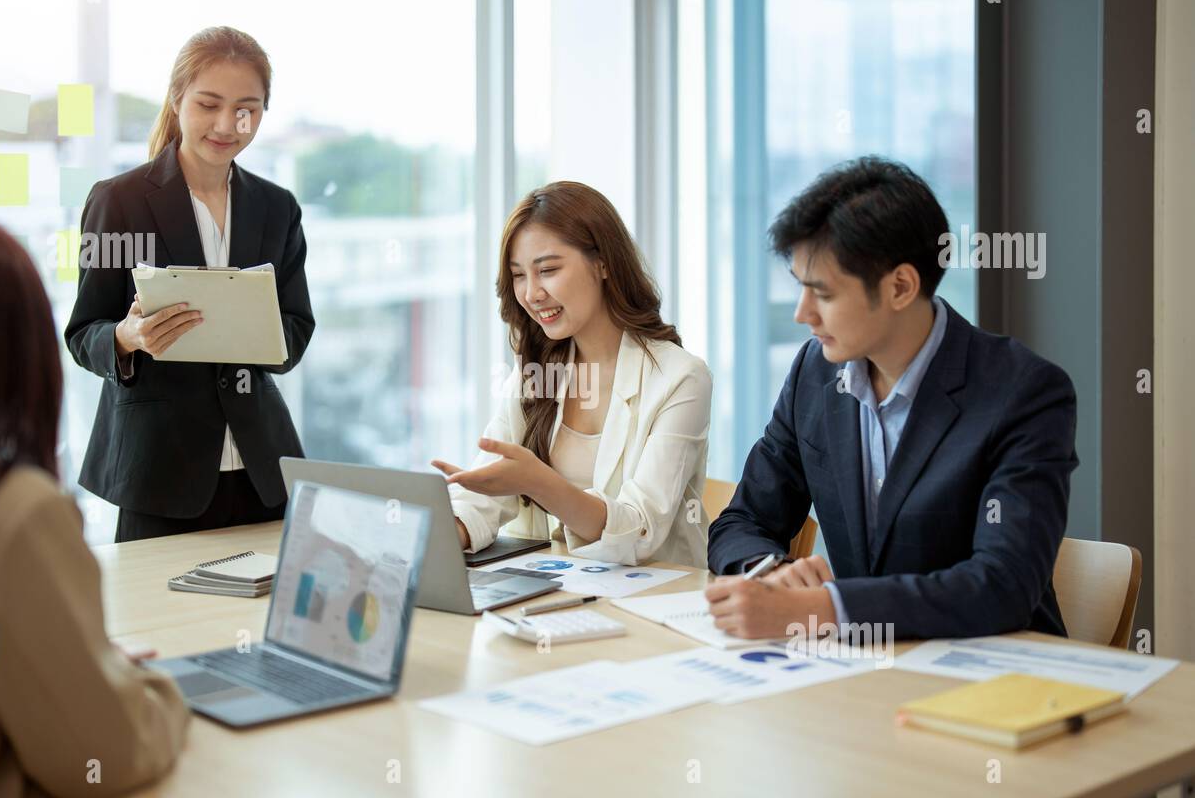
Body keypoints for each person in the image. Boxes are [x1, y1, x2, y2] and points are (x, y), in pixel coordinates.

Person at [707, 156, 1077, 640]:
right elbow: (743, 519)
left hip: (992, 675)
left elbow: (1001, 586)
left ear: (901, 286)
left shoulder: (1024, 392)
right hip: (865, 666)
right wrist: (770, 571)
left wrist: (826, 608)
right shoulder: (814, 374)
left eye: (823, 293)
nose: (802, 314)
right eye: (800, 288)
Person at [0, 211, 190, 798]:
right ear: (16, 348)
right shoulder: (13, 513)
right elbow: (108, 755)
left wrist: (70, 663)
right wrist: (141, 687)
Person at [65, 26, 314, 542]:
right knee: (157, 624)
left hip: (262, 473)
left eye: (247, 108)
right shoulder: (119, 201)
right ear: (177, 100)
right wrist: (128, 337)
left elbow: (296, 329)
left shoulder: (276, 207)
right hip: (158, 474)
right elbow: (84, 331)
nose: (228, 124)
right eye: (209, 104)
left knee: (265, 619)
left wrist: (257, 331)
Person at [432, 181, 713, 568]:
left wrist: (537, 482)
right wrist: (438, 534)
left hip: (653, 604)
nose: (531, 293)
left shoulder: (681, 378)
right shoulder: (537, 373)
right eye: (518, 276)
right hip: (558, 598)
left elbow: (640, 530)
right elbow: (485, 493)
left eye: (547, 270)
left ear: (603, 263)